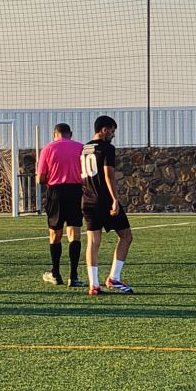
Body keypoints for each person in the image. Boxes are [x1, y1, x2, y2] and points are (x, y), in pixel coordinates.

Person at [80, 115, 135, 296]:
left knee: (93, 241)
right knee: (126, 236)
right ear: (104, 129)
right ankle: (114, 277)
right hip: (103, 199)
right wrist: (114, 199)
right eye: (112, 130)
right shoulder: (107, 148)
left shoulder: (85, 148)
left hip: (87, 199)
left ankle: (94, 284)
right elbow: (108, 175)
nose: (113, 135)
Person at [36, 122, 86, 286]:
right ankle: (74, 276)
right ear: (70, 134)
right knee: (74, 233)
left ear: (54, 134)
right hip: (76, 191)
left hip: (56, 192)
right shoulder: (81, 148)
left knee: (55, 234)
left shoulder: (48, 149)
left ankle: (56, 274)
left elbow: (40, 179)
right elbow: (86, 174)